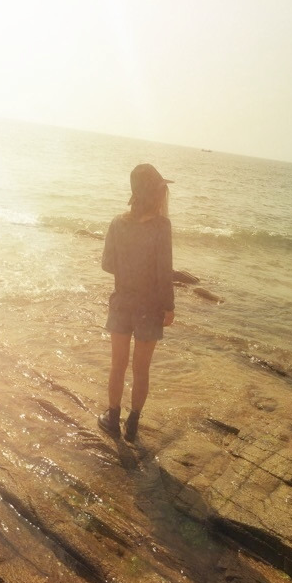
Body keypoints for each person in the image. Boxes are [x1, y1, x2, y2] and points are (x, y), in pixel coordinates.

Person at [98, 164, 175, 442]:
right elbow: (164, 272)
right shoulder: (161, 226)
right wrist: (169, 307)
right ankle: (132, 425)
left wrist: (127, 268)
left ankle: (112, 419)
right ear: (155, 194)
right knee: (141, 369)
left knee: (117, 365)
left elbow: (107, 264)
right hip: (150, 307)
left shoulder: (118, 223)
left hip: (122, 302)